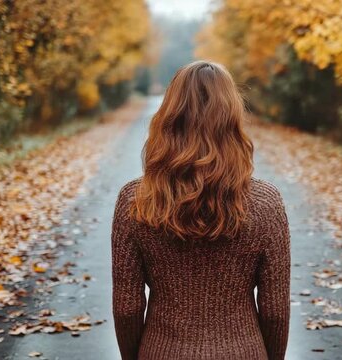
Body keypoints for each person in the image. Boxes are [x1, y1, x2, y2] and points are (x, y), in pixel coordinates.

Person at [111, 61, 291, 360]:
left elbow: (126, 308)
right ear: (232, 120)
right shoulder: (267, 202)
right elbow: (275, 313)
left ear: (169, 118)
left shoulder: (136, 200)